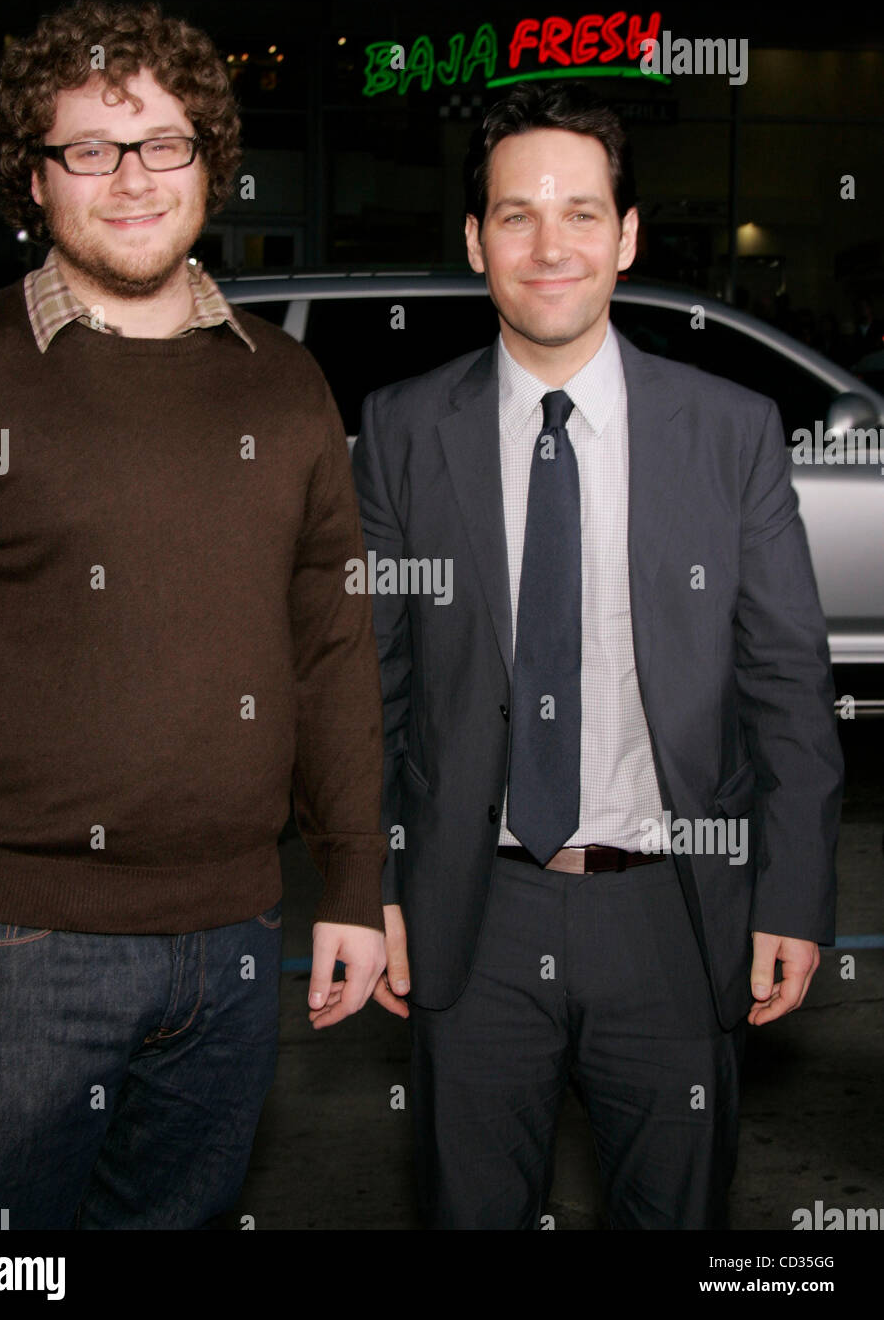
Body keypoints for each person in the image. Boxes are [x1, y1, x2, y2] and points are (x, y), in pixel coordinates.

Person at [0, 0, 387, 1230]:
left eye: (163, 143)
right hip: (10, 945)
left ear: (210, 161)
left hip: (236, 937)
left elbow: (333, 649)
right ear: (34, 176)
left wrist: (351, 878)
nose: (131, 178)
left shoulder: (285, 387)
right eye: (89, 148)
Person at [354, 81, 844, 1230]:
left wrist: (793, 893)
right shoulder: (402, 429)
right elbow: (372, 684)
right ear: (475, 241)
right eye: (514, 214)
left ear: (625, 237)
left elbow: (786, 684)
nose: (548, 243)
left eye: (581, 211)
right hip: (471, 913)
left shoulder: (729, 431)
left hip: (673, 914)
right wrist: (369, 883)